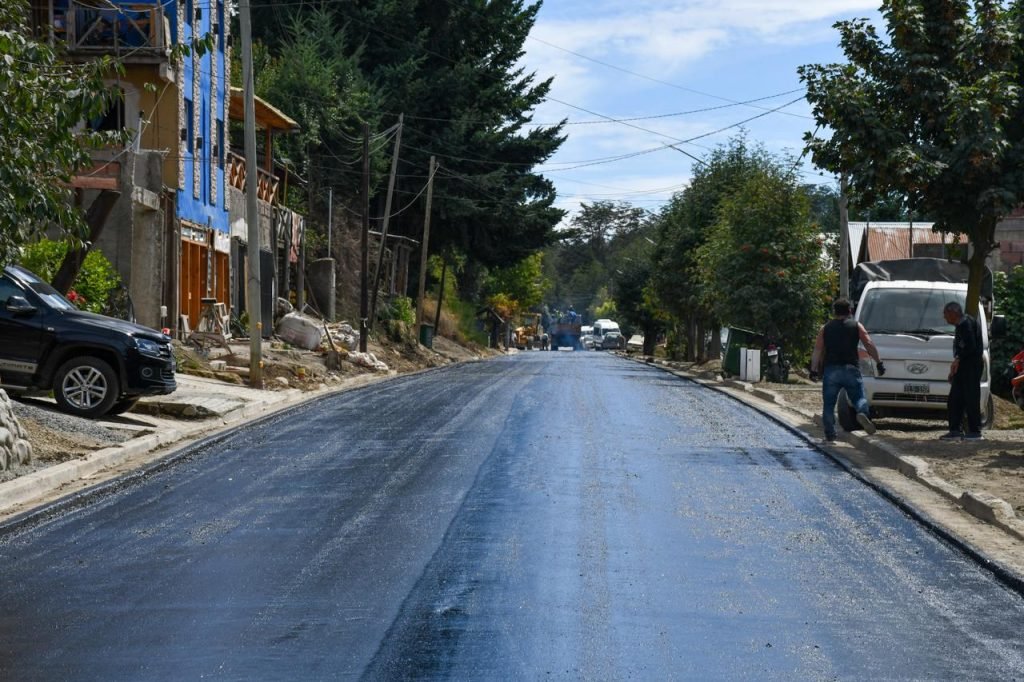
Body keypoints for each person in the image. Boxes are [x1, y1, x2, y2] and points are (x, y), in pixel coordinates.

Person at [810, 298, 884, 443]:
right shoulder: (856, 326)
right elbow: (868, 343)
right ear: (850, 311)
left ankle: (830, 434)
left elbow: (817, 350)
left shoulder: (825, 328)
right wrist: (879, 362)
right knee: (859, 397)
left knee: (829, 404)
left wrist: (813, 370)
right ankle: (862, 412)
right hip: (851, 369)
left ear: (834, 312)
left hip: (831, 371)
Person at [941, 301, 984, 441]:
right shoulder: (961, 324)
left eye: (946, 314)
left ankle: (974, 431)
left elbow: (970, 346)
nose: (944, 317)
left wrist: (958, 359)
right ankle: (955, 430)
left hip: (971, 365)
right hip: (964, 365)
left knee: (971, 397)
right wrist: (957, 362)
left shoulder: (966, 324)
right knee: (955, 398)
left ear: (953, 313)